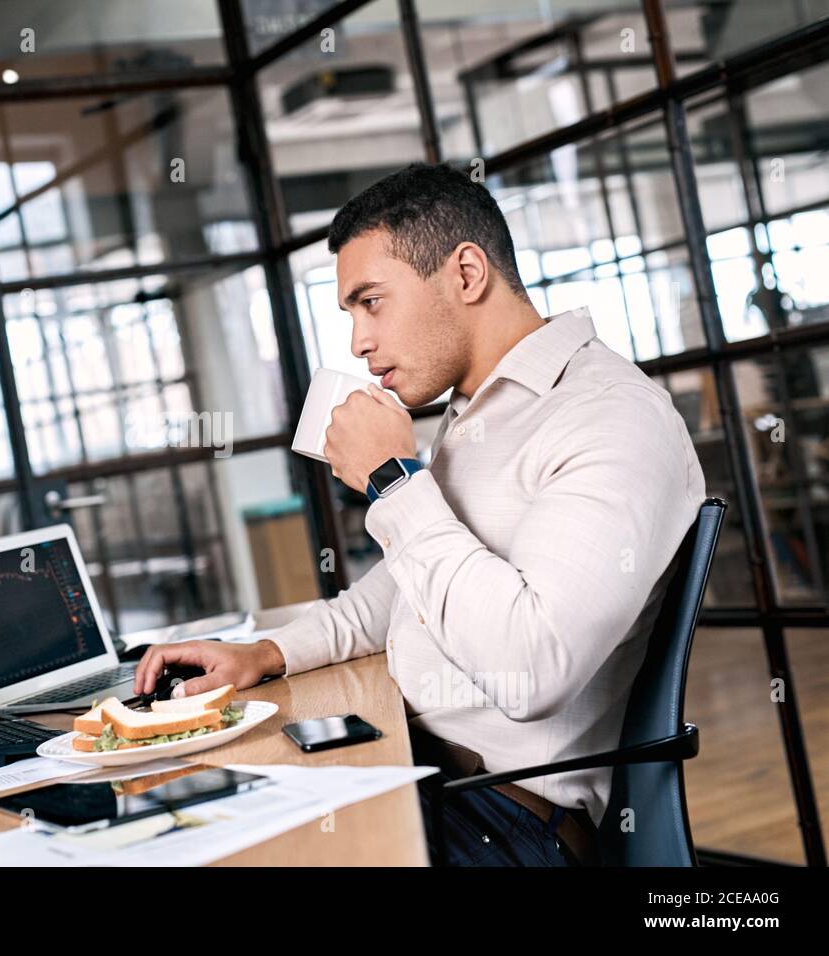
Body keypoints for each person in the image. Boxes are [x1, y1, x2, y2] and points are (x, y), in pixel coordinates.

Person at [132, 163, 705, 866]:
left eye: (371, 302)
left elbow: (535, 664)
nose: (358, 343)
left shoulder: (607, 415)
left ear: (466, 275)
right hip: (425, 767)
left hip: (507, 815)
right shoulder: (479, 409)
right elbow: (409, 587)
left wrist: (395, 481)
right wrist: (264, 654)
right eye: (350, 314)